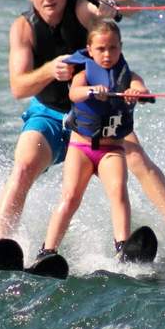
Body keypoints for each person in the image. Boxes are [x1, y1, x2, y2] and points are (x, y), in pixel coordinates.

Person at [0, 0, 165, 242]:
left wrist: (114, 5)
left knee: (136, 157)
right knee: (23, 166)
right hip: (50, 113)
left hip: (98, 113)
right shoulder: (23, 28)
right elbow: (18, 88)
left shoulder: (81, 10)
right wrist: (48, 70)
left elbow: (128, 8)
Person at [37, 21, 150, 259]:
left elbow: (140, 88)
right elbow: (73, 94)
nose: (107, 54)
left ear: (121, 47)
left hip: (112, 150)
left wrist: (135, 92)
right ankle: (47, 250)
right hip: (81, 148)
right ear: (89, 50)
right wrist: (91, 91)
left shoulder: (129, 76)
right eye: (101, 49)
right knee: (70, 198)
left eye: (113, 48)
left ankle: (122, 247)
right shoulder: (83, 74)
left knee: (118, 191)